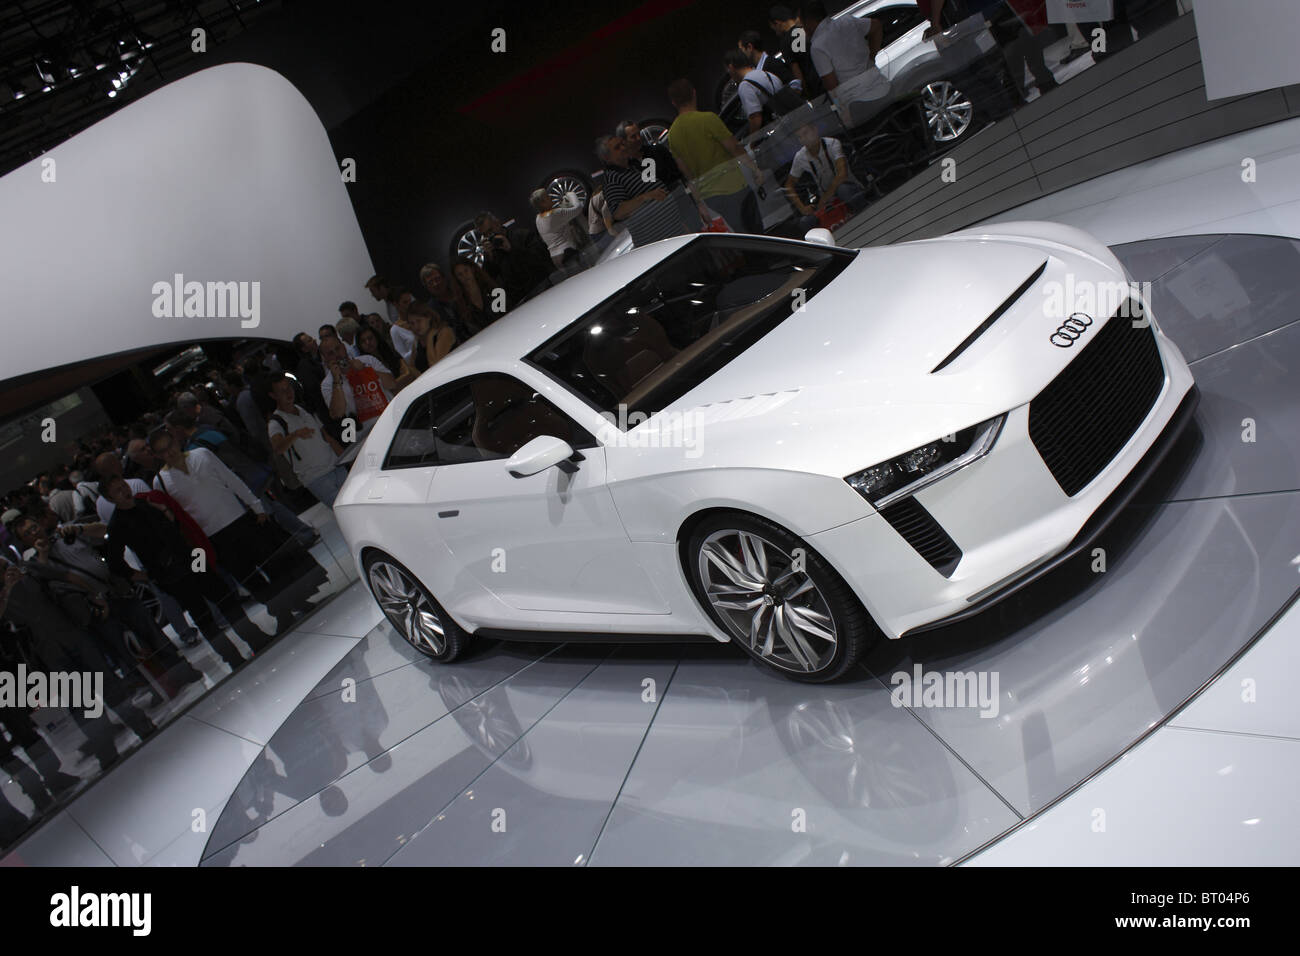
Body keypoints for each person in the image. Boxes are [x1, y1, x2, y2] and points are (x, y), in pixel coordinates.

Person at [147, 431, 327, 634]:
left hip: (240, 520)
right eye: (162, 451)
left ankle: (297, 602)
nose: (169, 452)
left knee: (273, 565)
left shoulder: (202, 454)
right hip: (213, 537)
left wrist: (255, 505)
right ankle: (281, 612)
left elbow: (230, 479)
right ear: (156, 455)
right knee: (249, 579)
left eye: (169, 445)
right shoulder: (160, 482)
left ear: (176, 440)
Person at [0, 554, 157, 766]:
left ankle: (140, 724)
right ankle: (105, 749)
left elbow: (67, 577)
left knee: (107, 682)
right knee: (79, 701)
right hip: (47, 649)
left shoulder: (29, 570)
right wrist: (8, 589)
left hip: (71, 632)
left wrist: (95, 595)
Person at [101, 476, 271, 669]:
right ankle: (231, 656)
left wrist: (164, 511)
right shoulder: (118, 524)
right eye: (117, 491)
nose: (124, 491)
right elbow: (115, 562)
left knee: (224, 597)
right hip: (170, 574)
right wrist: (146, 576)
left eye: (123, 486)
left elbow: (173, 528)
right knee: (201, 614)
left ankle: (253, 637)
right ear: (110, 498)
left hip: (190, 557)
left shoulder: (145, 503)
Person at [665, 79, 765, 234]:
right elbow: (734, 148)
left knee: (741, 234)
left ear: (673, 103)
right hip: (733, 186)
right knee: (756, 232)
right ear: (694, 93)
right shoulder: (707, 119)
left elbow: (687, 173)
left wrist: (699, 202)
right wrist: (754, 168)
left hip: (710, 196)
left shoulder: (672, 135)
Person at [801, 0, 891, 127]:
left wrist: (842, 111)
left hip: (858, 103)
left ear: (808, 22)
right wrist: (872, 56)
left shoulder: (817, 46)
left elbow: (832, 85)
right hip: (881, 86)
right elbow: (876, 26)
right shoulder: (847, 21)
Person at [598, 133, 697, 248]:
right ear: (607, 158)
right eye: (617, 148)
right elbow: (618, 211)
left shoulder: (633, 165)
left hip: (675, 232)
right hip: (657, 243)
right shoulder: (612, 178)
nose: (623, 148)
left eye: (622, 144)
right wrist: (644, 197)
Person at [266, 375, 350, 508]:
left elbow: (326, 436)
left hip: (335, 465)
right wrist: (295, 434)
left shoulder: (303, 409)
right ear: (273, 395)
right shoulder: (275, 423)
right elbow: (278, 448)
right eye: (282, 391)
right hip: (316, 477)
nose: (288, 393)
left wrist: (344, 459)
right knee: (345, 511)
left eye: (288, 388)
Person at [784, 124, 868, 231]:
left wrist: (824, 199)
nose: (804, 139)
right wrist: (803, 208)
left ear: (815, 130)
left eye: (806, 133)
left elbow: (842, 175)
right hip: (826, 202)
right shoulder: (800, 157)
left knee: (843, 190)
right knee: (805, 222)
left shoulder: (832, 143)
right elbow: (788, 185)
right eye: (800, 137)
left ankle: (865, 217)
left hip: (849, 189)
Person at [473, 212, 555, 307]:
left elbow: (541, 259)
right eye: (485, 234)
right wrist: (489, 258)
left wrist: (511, 249)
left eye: (491, 230)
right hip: (518, 299)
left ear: (498, 223)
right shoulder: (492, 251)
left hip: (540, 286)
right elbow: (491, 279)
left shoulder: (522, 235)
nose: (490, 235)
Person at [319, 334, 397, 425]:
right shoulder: (327, 384)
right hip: (367, 432)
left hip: (391, 417)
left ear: (343, 347)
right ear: (325, 358)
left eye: (337, 349)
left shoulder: (368, 360)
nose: (337, 355)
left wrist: (366, 370)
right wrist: (336, 381)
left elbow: (392, 384)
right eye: (330, 353)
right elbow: (338, 413)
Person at [724, 47, 794, 134]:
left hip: (780, 131)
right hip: (792, 120)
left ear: (731, 67)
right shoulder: (765, 73)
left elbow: (756, 118)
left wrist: (752, 141)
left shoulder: (745, 85)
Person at [769, 4, 822, 98]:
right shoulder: (806, 28)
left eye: (773, 28)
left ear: (777, 23)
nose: (776, 33)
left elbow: (796, 70)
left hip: (815, 87)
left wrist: (805, 94)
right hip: (828, 74)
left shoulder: (785, 42)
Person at [533, 188, 587, 267]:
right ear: (542, 203)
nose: (550, 198)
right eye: (547, 197)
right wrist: (571, 194)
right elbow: (578, 208)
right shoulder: (555, 213)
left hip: (555, 257)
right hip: (567, 252)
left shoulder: (538, 219)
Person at [450, 260, 500, 335]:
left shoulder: (492, 289)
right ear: (456, 278)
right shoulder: (459, 305)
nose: (465, 276)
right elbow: (464, 332)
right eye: (460, 274)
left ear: (472, 269)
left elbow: (508, 311)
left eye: (466, 270)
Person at [405, 301, 457, 374]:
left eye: (419, 321)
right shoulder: (417, 340)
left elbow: (436, 368)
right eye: (412, 323)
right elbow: (411, 367)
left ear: (428, 317)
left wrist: (429, 339)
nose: (416, 327)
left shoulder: (444, 332)